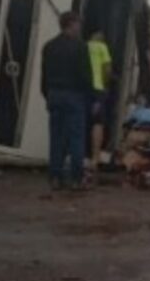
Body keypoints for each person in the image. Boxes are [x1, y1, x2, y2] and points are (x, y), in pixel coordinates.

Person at [41, 12, 93, 190]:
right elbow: (86, 75)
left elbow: (44, 76)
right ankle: (76, 179)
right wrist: (90, 97)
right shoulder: (81, 47)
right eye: (78, 23)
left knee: (56, 138)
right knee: (76, 138)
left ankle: (55, 177)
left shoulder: (49, 47)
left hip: (54, 95)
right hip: (74, 96)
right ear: (71, 24)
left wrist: (48, 95)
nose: (80, 27)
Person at [87, 30, 112, 174]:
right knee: (97, 123)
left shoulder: (84, 46)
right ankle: (95, 158)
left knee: (81, 121)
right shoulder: (102, 47)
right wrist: (106, 85)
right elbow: (107, 70)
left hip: (84, 89)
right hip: (98, 88)